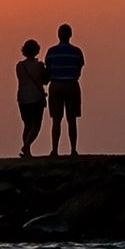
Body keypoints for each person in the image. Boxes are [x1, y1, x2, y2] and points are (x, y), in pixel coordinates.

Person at [41, 24, 86, 155]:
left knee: (56, 120)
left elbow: (48, 70)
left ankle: (54, 150)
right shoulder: (77, 52)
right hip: (72, 84)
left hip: (56, 85)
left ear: (58, 35)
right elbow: (79, 69)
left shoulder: (51, 52)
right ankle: (73, 149)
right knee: (72, 120)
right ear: (70, 35)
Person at [13, 38, 50, 156]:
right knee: (36, 125)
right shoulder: (39, 66)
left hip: (22, 98)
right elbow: (45, 81)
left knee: (27, 125)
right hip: (36, 98)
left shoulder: (19, 66)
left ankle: (27, 150)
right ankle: (27, 146)